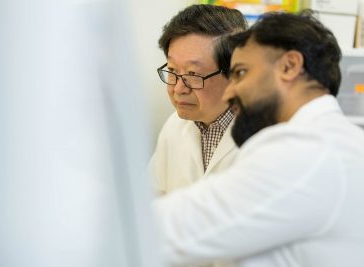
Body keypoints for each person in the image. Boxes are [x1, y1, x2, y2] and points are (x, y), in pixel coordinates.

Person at [155, 11, 364, 267]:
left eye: (241, 73)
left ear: (289, 66)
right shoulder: (333, 140)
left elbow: (174, 229)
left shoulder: (309, 151)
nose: (230, 90)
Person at [149, 4, 248, 195]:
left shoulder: (263, 136)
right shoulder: (174, 126)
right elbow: (151, 197)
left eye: (193, 74)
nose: (178, 89)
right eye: (172, 71)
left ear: (234, 73)